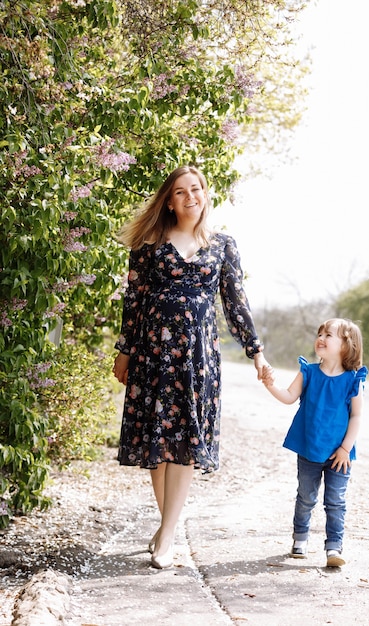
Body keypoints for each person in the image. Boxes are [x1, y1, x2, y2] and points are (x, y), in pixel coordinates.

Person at [112, 165, 268, 569]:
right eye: (180, 191)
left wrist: (256, 352)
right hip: (152, 355)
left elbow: (236, 303)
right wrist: (125, 350)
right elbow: (134, 303)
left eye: (195, 189)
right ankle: (168, 526)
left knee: (184, 440)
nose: (190, 196)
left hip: (198, 360)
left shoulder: (222, 245)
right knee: (157, 443)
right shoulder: (147, 245)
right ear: (169, 200)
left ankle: (166, 535)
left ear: (205, 194)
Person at [261, 318, 368, 568]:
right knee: (306, 497)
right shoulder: (308, 371)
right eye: (320, 333)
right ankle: (300, 539)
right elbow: (288, 397)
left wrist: (345, 448)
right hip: (310, 447)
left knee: (336, 501)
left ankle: (334, 547)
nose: (321, 337)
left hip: (340, 454)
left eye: (328, 335)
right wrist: (270, 385)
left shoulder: (353, 379)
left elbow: (357, 415)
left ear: (346, 345)